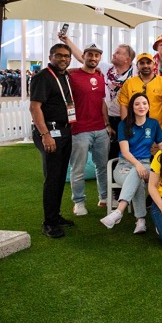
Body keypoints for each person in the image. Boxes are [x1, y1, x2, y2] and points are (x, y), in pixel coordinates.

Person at [59, 33, 137, 159]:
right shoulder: (106, 68)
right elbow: (83, 58)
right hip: (108, 117)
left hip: (127, 117)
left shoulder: (136, 71)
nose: (113, 54)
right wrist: (67, 41)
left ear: (127, 59)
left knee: (128, 148)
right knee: (110, 152)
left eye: (118, 53)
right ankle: (110, 176)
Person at [100, 93, 162, 233]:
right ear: (132, 107)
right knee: (137, 178)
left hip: (146, 164)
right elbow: (125, 151)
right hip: (124, 165)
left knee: (138, 174)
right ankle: (140, 220)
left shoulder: (153, 124)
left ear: (148, 106)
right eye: (137, 104)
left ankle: (119, 212)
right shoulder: (124, 124)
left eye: (144, 103)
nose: (141, 106)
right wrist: (137, 165)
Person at [29, 43, 75, 238]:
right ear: (50, 56)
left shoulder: (65, 76)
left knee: (60, 176)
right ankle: (49, 222)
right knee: (53, 178)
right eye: (59, 56)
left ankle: (55, 216)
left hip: (64, 131)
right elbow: (34, 107)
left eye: (66, 56)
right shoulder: (42, 77)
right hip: (50, 132)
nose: (63, 59)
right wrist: (45, 135)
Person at [68, 44, 112, 216]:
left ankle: (104, 197)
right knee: (77, 168)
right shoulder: (72, 75)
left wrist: (107, 124)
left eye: (97, 55)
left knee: (102, 166)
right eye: (90, 55)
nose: (93, 58)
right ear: (84, 56)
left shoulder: (100, 77)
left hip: (100, 129)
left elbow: (102, 102)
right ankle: (78, 201)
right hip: (79, 129)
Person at [118, 52, 162, 134]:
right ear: (137, 66)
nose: (145, 66)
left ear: (154, 65)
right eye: (142, 63)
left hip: (159, 129)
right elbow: (123, 105)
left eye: (148, 63)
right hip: (135, 130)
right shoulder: (129, 83)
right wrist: (126, 127)